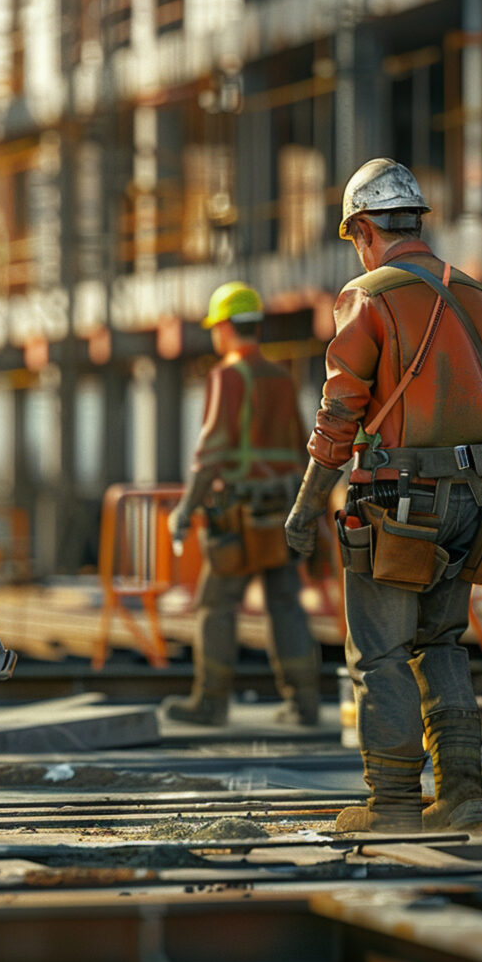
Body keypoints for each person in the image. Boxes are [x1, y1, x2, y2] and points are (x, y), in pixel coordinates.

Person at [285, 158, 482, 833]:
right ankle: (462, 795)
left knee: (381, 652)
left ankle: (391, 802)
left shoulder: (368, 295)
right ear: (415, 222)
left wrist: (306, 508)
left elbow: (339, 417)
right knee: (442, 643)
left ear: (363, 227)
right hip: (471, 499)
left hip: (397, 502)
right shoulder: (478, 296)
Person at [165, 281, 320, 728]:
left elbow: (211, 453)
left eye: (216, 327)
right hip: (281, 513)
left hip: (237, 515)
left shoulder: (227, 376)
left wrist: (185, 509)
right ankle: (304, 704)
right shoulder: (282, 377)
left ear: (228, 328)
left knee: (216, 604)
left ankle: (211, 702)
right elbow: (300, 447)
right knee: (286, 604)